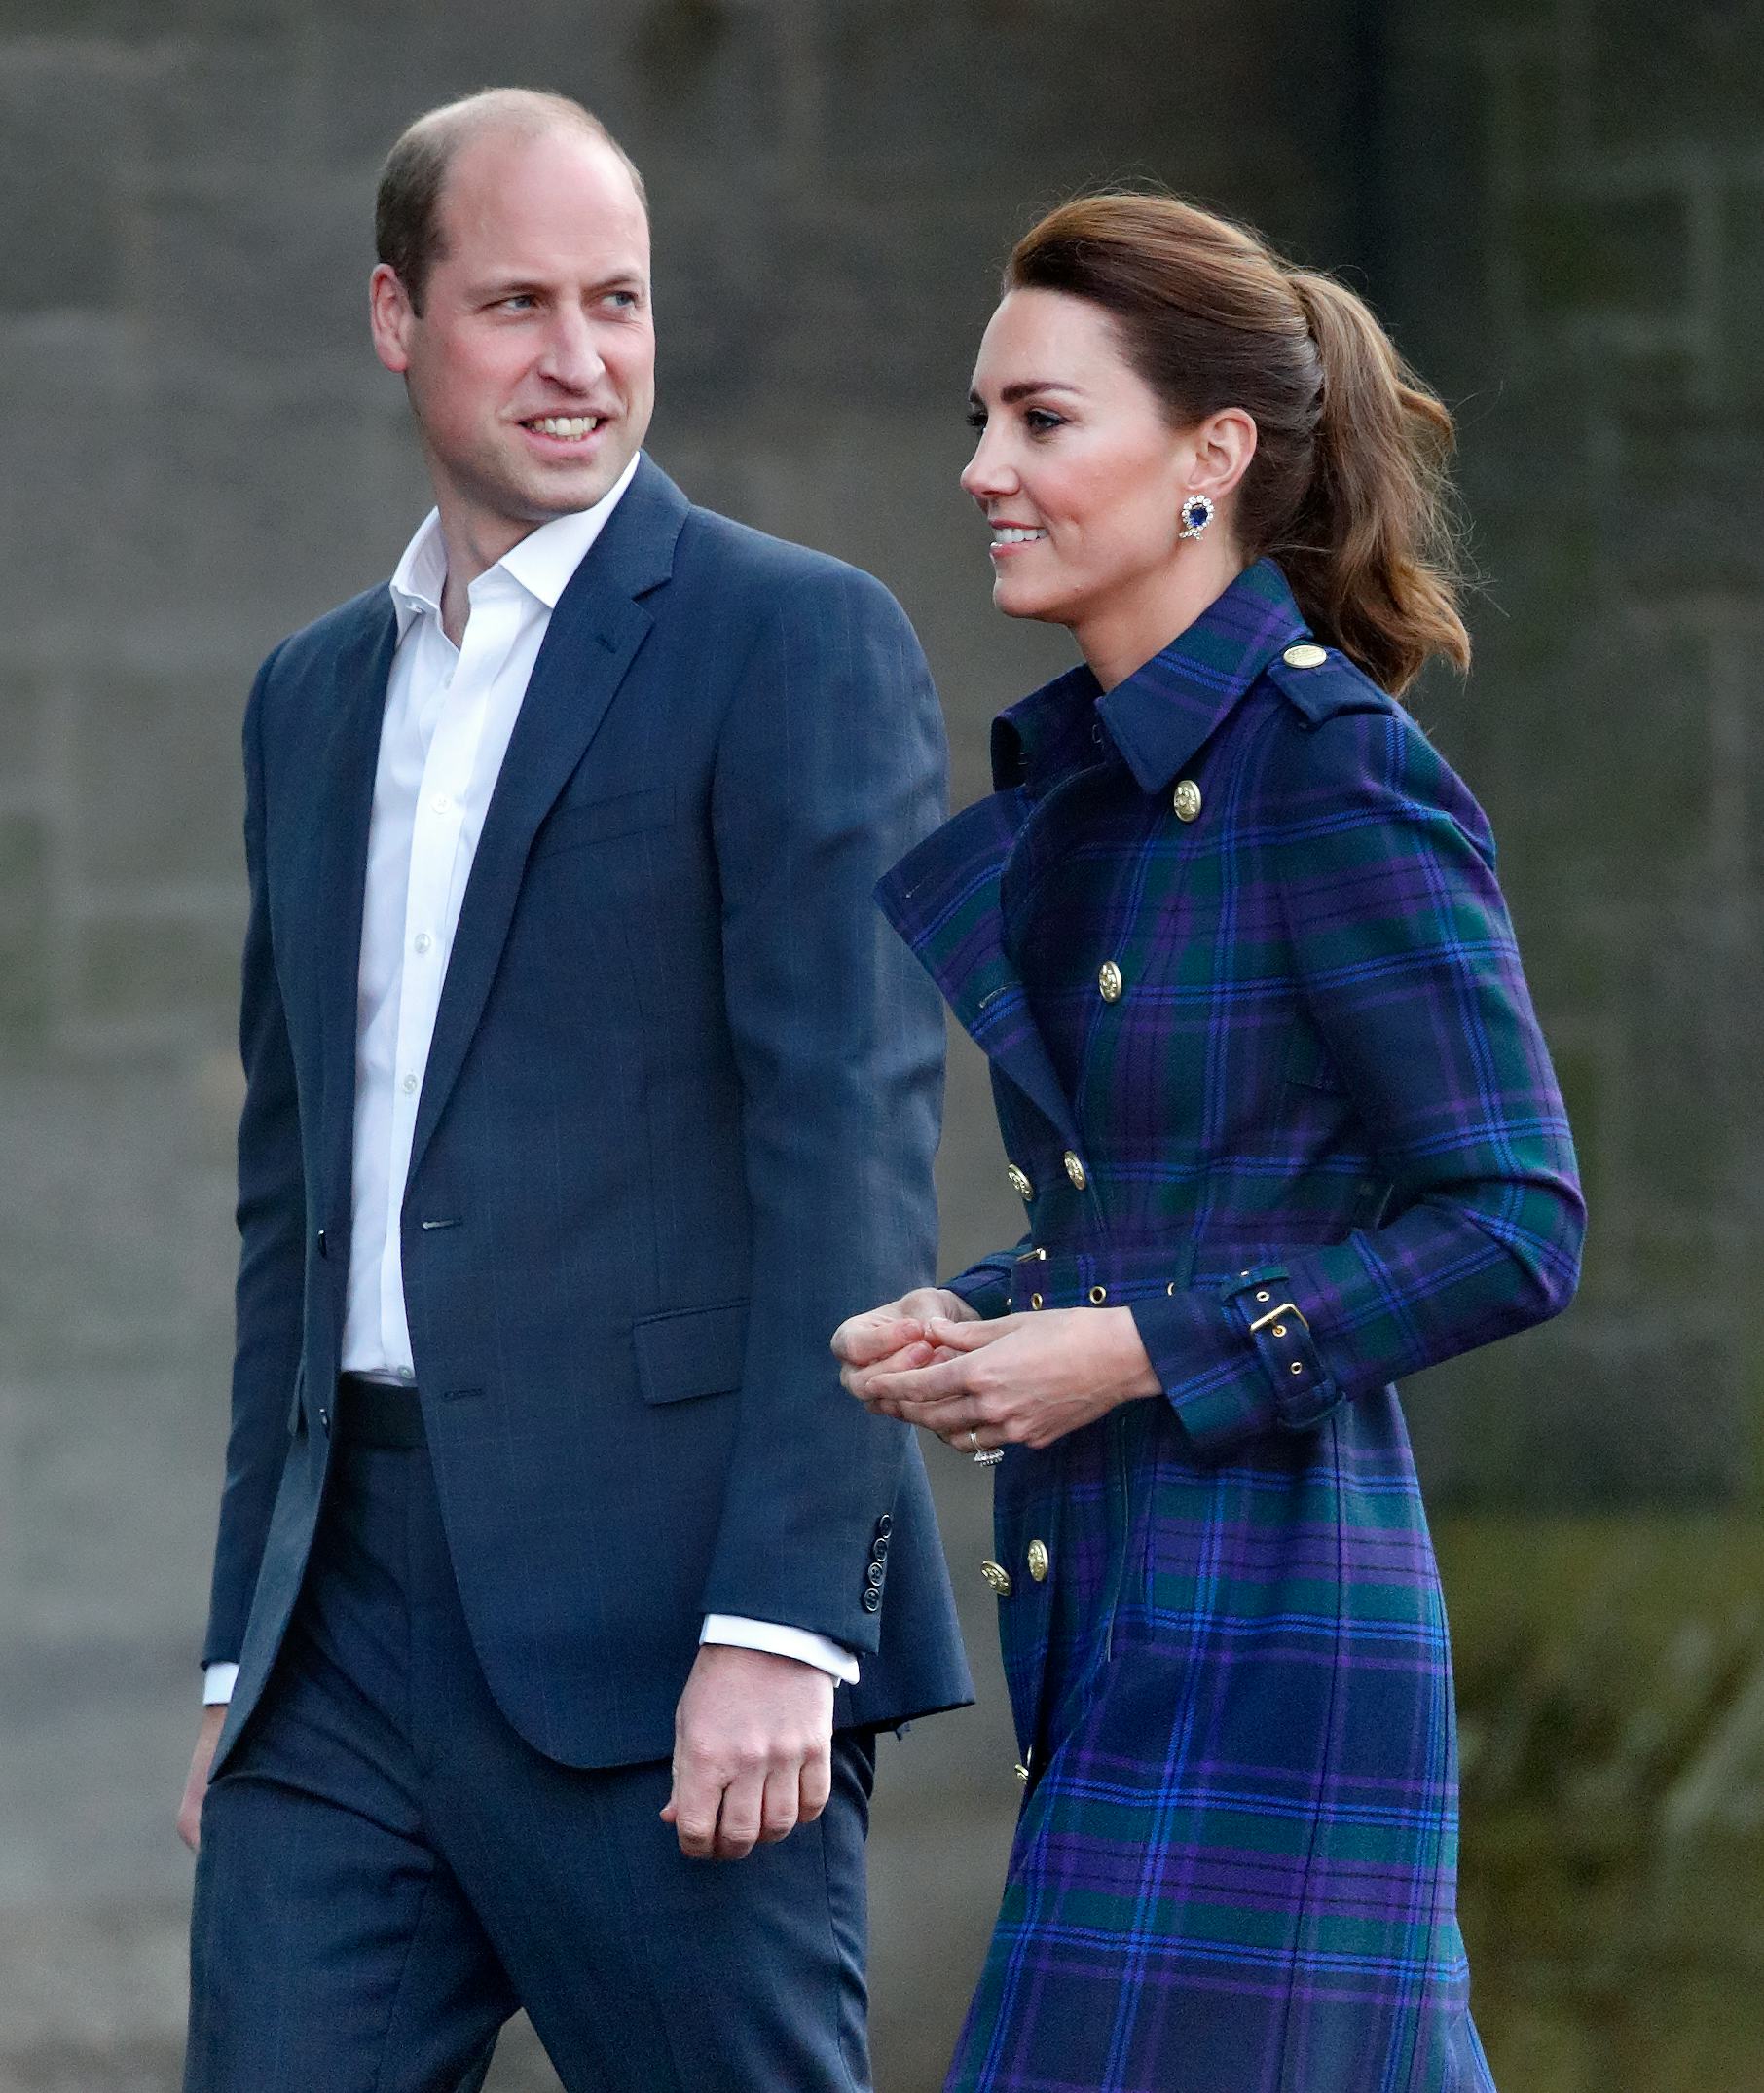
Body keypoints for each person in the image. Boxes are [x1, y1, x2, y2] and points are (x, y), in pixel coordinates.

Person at [177, 87, 971, 2093]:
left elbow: (853, 1145)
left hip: (670, 1618)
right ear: (396, 316)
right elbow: (295, 1198)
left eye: (617, 301)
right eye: (517, 302)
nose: (580, 358)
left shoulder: (793, 641)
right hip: (337, 1637)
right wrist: (241, 1648)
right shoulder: (310, 698)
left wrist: (786, 1617)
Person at [836, 193, 1584, 2092]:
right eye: (984, 419)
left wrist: (1131, 1353)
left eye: (1042, 419)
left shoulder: (1336, 777)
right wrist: (986, 1312)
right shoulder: (1097, 790)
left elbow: (1515, 1221)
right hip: (1114, 1616)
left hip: (1275, 1634)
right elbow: (1177, 1202)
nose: (982, 467)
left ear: (1213, 455)